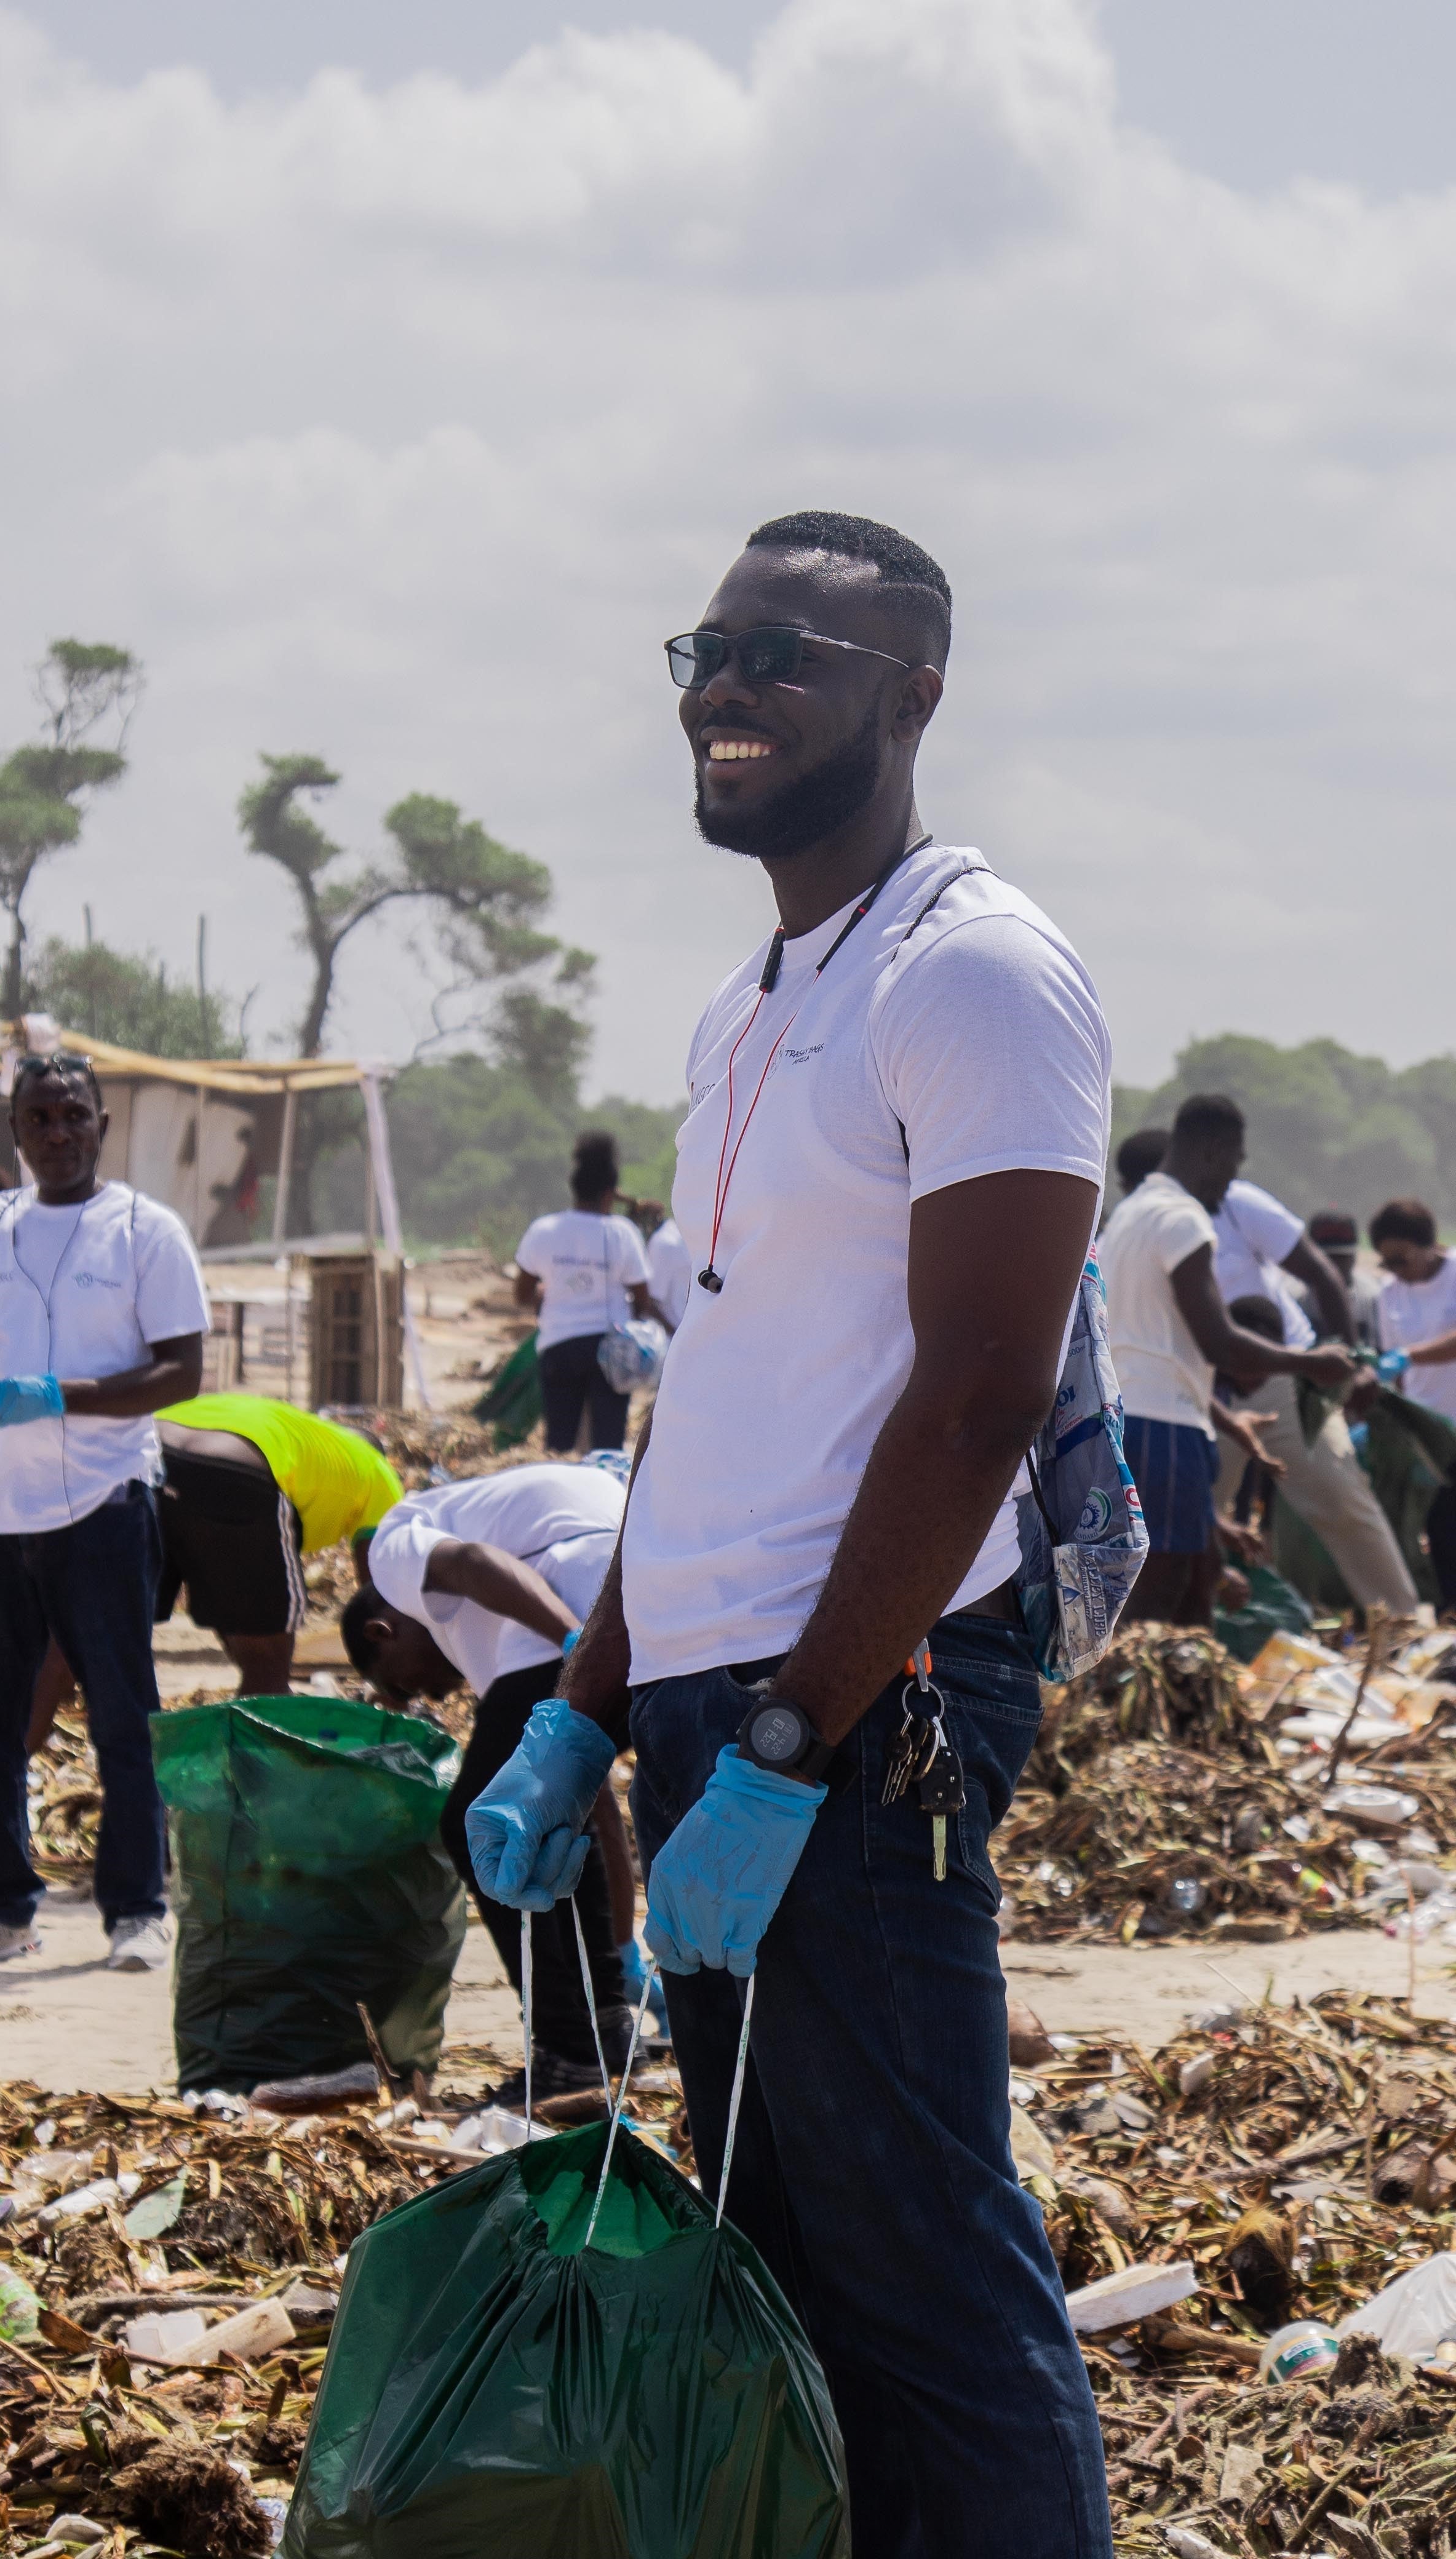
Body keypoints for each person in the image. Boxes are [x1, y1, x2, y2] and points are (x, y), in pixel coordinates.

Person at [464, 511, 1120, 2549]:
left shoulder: (978, 971)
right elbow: (724, 1402)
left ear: (913, 694)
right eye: (710, 652)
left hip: (860, 1705)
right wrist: (587, 1705)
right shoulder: (751, 1008)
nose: (729, 692)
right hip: (715, 1688)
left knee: (920, 2262)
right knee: (784, 2246)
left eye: (788, 660)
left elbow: (983, 1393)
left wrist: (785, 1746)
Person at [0, 1053, 208, 1971]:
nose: (59, 1133)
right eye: (40, 1119)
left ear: (102, 1124)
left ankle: (137, 1909)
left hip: (102, 1501)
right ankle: (3, 1910)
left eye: (74, 1115)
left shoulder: (145, 1232)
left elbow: (181, 1372)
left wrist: (61, 1394)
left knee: (122, 1711)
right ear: (17, 1133)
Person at [340, 1461, 639, 2095]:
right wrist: (622, 1951)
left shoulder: (396, 1543)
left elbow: (474, 1563)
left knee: (477, 1821)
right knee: (556, 1807)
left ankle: (566, 2048)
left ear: (381, 1630)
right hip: (657, 1590)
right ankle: (607, 2025)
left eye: (397, 1683)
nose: (419, 1693)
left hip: (584, 1607)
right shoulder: (482, 1628)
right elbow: (591, 1801)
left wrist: (574, 1638)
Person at [1104, 1097, 1361, 1626]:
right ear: (1213, 1151)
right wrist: (1310, 1361)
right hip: (1167, 1426)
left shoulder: (1130, 1216)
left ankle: (1181, 1707)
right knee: (1162, 1595)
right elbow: (1219, 1343)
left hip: (1132, 1419)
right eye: (1235, 1162)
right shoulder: (1183, 1220)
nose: (1232, 1180)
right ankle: (1134, 1702)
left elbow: (1156, 1345)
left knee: (1195, 1582)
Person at [1185, 1100, 1417, 1614]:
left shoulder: (1238, 1205)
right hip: (1208, 1388)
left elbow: (1321, 1273)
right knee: (1198, 1517)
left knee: (1342, 1500)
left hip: (1285, 1377)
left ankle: (1402, 1626)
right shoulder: (1148, 1223)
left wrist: (1355, 1362)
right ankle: (1205, 1644)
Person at [152, 1392, 405, 1693]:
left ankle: (129, 1736)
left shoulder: (305, 1431)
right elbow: (376, 1591)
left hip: (150, 1450)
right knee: (269, 1667)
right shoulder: (378, 1470)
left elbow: (230, 1594)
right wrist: (388, 1679)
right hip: (238, 1467)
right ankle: (259, 1727)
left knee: (117, 1634)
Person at [512, 1132, 666, 1454]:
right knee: (607, 1446)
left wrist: (545, 1292)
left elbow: (521, 1294)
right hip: (609, 1351)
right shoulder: (622, 1233)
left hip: (559, 1347)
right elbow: (642, 1298)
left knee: (559, 1444)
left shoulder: (544, 1230)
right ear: (609, 1193)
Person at [1371, 1198, 1456, 1601]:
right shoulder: (1389, 1296)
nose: (1396, 1272)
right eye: (1387, 1263)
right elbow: (1397, 1372)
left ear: (1428, 1245)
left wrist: (1411, 1355)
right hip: (1428, 1431)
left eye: (1401, 1260)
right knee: (1438, 1527)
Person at [1310, 1207, 1382, 1348]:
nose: (1334, 1265)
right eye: (1327, 1258)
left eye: (1342, 1257)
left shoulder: (1373, 1295)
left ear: (1354, 1256)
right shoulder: (1291, 1296)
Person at [643, 1204, 691, 1333]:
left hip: (671, 1338)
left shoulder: (663, 1243)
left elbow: (649, 1303)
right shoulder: (675, 1235)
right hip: (684, 1332)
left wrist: (677, 1336)